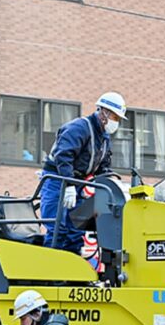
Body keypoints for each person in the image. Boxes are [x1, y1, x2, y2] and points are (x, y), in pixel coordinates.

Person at [40, 92, 127, 253]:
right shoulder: (79, 128)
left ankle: (70, 272)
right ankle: (49, 273)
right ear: (103, 112)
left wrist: (115, 184)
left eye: (118, 119)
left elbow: (103, 167)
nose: (116, 122)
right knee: (57, 228)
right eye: (115, 117)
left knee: (75, 230)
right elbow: (63, 156)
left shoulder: (104, 138)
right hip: (58, 181)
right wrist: (69, 185)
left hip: (78, 183)